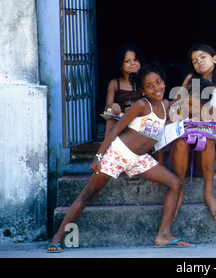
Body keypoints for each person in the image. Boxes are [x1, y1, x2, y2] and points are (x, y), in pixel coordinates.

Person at [47, 64, 189, 252]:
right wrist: (99, 156)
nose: (156, 88)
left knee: (175, 183)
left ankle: (163, 234)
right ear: (142, 90)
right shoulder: (141, 105)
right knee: (88, 194)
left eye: (159, 82)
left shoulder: (166, 105)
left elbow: (158, 137)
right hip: (118, 153)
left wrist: (158, 163)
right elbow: (115, 130)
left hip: (139, 159)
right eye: (149, 86)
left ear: (164, 82)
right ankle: (57, 238)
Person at [168, 45, 216, 219]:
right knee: (181, 142)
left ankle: (208, 195)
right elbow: (177, 101)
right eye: (195, 61)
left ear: (214, 59)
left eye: (203, 57)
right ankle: (178, 192)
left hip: (209, 125)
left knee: (210, 141)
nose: (199, 62)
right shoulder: (191, 77)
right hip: (188, 123)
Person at [103, 44, 145, 136]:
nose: (133, 63)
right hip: (122, 121)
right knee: (110, 122)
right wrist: (112, 106)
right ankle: (107, 149)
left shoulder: (145, 82)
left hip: (141, 119)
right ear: (120, 65)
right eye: (127, 61)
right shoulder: (114, 83)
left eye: (135, 60)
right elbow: (106, 109)